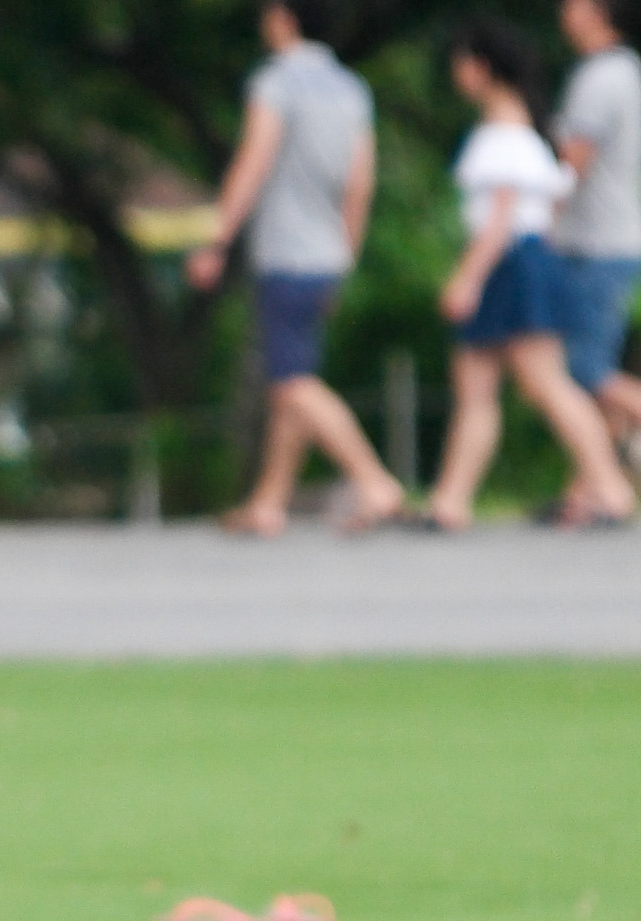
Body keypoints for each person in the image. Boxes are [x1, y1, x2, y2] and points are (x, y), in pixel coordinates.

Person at [186, 1, 404, 534]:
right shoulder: (352, 90)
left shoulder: (276, 83)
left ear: (285, 19)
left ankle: (374, 481)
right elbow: (361, 182)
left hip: (286, 251)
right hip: (328, 252)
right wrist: (346, 255)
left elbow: (254, 160)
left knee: (290, 382)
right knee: (294, 375)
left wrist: (217, 239)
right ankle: (269, 502)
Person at [425, 19, 637, 529]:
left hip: (513, 264)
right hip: (524, 262)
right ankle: (450, 500)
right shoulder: (521, 132)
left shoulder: (505, 135)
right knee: (479, 384)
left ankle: (608, 489)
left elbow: (500, 219)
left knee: (545, 383)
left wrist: (466, 278)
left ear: (480, 69)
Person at [552, 0, 641, 481]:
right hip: (613, 240)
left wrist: (539, 222)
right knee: (589, 372)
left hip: (595, 244)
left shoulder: (600, 77)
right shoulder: (624, 71)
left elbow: (573, 165)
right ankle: (593, 491)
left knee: (582, 369)